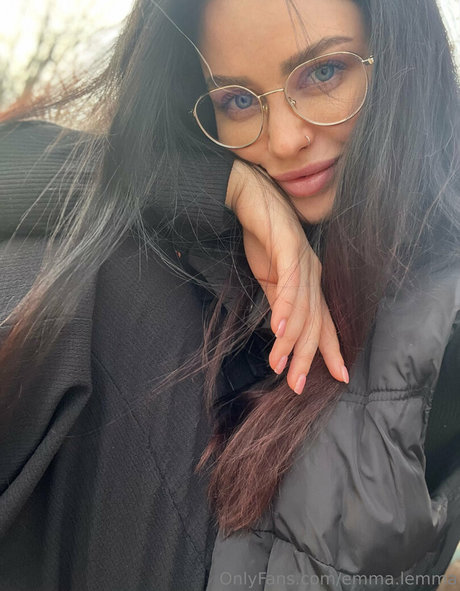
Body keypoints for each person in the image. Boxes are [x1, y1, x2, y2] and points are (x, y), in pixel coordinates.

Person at [0, 1, 459, 590]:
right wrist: (225, 186)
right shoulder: (172, 245)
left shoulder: (439, 312)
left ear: (398, 54)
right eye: (238, 101)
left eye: (323, 73)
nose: (285, 139)